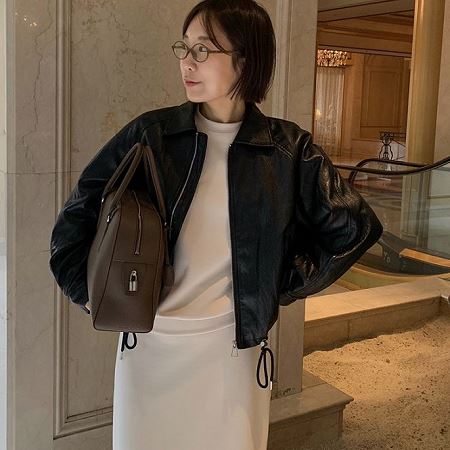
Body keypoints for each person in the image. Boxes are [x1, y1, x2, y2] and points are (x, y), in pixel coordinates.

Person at [49, 1, 383, 449]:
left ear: (246, 58)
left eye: (203, 50)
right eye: (184, 47)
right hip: (149, 345)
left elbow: (354, 227)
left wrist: (274, 284)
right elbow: (76, 218)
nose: (187, 62)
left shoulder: (287, 149)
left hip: (233, 351)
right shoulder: (151, 135)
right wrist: (90, 294)